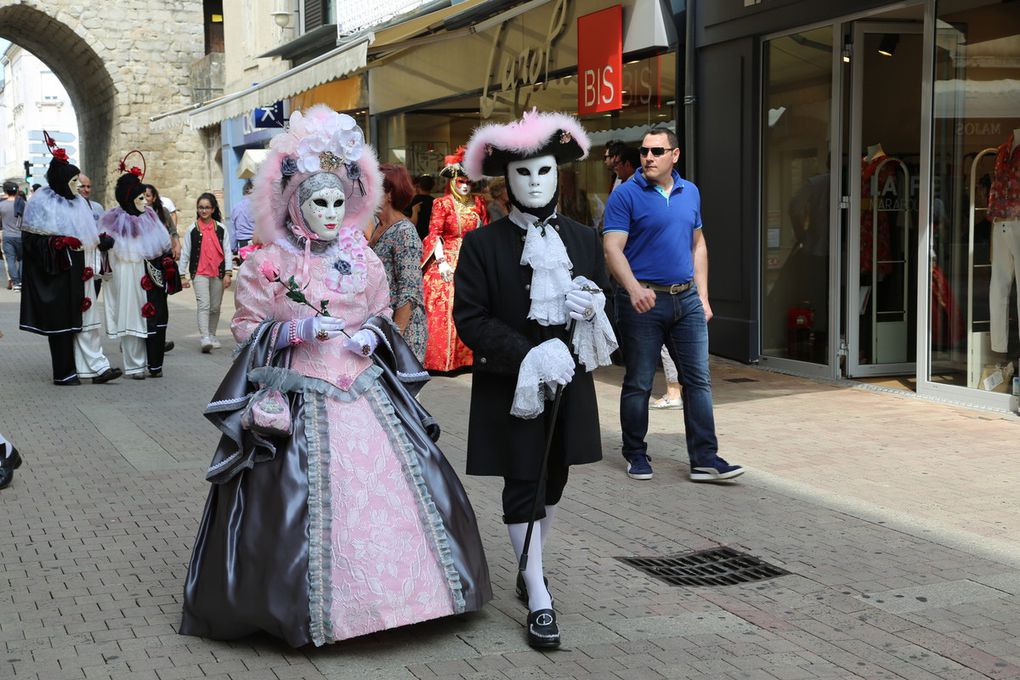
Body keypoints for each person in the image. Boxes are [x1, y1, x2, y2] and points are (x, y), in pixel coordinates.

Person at [179, 104, 491, 647]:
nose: (328, 212)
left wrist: (374, 333)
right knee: (301, 498)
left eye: (336, 202)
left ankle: (407, 596)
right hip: (300, 392)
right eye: (317, 202)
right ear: (295, 205)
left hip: (363, 385)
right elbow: (247, 326)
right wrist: (294, 332)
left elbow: (380, 308)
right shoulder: (266, 264)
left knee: (400, 484)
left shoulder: (363, 259)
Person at [455, 110, 617, 649]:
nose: (535, 182)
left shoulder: (582, 239)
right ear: (507, 182)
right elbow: (470, 318)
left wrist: (592, 305)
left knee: (555, 479)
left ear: (559, 174)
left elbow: (602, 299)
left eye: (544, 172)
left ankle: (531, 569)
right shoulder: (481, 246)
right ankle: (538, 594)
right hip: (512, 383)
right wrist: (529, 353)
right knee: (522, 481)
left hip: (569, 384)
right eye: (523, 174)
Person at [602, 127, 744, 483]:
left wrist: (704, 296)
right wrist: (633, 289)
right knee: (639, 382)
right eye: (645, 151)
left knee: (698, 381)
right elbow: (612, 249)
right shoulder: (627, 194)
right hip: (643, 302)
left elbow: (698, 245)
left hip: (686, 300)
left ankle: (705, 459)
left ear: (674, 155)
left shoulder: (689, 192)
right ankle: (635, 453)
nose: (648, 157)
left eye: (656, 151)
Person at [19, 132, 120, 386]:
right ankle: (65, 373)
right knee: (63, 326)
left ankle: (95, 368)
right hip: (59, 274)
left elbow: (89, 235)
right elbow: (31, 243)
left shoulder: (80, 204)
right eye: (74, 180)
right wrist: (57, 243)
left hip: (82, 271)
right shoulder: (41, 204)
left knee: (88, 321)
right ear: (62, 179)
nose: (78, 186)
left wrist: (101, 242)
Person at [100, 155, 179, 379]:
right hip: (125, 275)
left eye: (146, 197)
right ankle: (134, 365)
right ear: (129, 197)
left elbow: (162, 244)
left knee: (153, 317)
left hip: (149, 274)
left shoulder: (151, 217)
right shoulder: (114, 220)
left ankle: (152, 364)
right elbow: (106, 249)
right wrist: (106, 246)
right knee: (131, 316)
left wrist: (166, 263)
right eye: (141, 197)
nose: (145, 201)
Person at [421, 148, 487, 373]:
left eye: (469, 182)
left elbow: (485, 232)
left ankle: (469, 358)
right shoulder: (442, 204)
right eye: (461, 182)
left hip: (473, 259)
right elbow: (435, 234)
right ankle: (443, 361)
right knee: (445, 304)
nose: (466, 186)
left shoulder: (478, 204)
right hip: (447, 259)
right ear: (453, 181)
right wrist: (441, 262)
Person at [369, 163, 428, 362]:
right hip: (382, 327)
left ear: (390, 194)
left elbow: (409, 292)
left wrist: (395, 338)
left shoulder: (404, 232)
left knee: (401, 392)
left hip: (401, 333)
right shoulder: (378, 226)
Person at [179, 193, 234, 352]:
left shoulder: (221, 229)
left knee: (215, 307)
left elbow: (227, 252)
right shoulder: (192, 229)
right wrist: (182, 275)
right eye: (201, 207)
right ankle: (204, 337)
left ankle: (212, 334)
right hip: (200, 272)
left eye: (207, 207)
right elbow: (185, 253)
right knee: (204, 305)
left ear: (213, 209)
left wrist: (228, 273)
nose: (203, 210)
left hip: (218, 272)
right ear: (197, 209)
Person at [144, 184, 182, 260]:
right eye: (142, 196)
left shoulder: (163, 211)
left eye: (148, 196)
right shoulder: (137, 215)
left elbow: (173, 231)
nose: (144, 198)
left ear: (154, 198)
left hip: (163, 254)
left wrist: (177, 245)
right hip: (145, 255)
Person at [1, 181, 23, 290]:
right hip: (21, 236)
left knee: (10, 259)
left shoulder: (1, 205)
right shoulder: (23, 204)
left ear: (5, 191)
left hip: (7, 236)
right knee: (23, 259)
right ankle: (22, 281)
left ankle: (16, 282)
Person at [230, 180, 255, 258]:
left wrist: (234, 248)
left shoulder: (236, 208)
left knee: (245, 268)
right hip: (257, 243)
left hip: (243, 244)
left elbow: (233, 231)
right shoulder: (259, 206)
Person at [406, 174, 435, 240]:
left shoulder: (413, 201)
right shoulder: (435, 202)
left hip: (414, 236)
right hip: (429, 237)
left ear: (418, 186)